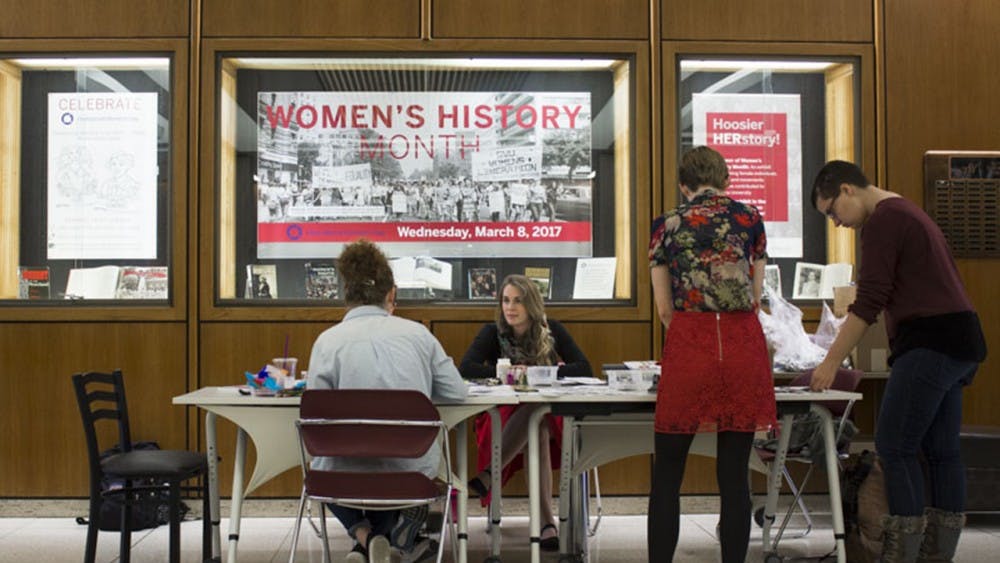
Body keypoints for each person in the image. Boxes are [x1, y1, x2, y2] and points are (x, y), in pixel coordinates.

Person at [809, 160, 987, 562]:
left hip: (929, 342)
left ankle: (901, 555)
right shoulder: (907, 211)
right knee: (942, 450)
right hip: (961, 339)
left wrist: (830, 363)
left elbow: (869, 301)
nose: (836, 223)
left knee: (894, 446)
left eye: (832, 212)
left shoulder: (883, 221)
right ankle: (937, 554)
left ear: (847, 190)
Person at [647, 146, 777, 563]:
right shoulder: (750, 219)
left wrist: (694, 331)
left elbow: (665, 308)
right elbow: (756, 298)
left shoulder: (666, 225)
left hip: (691, 343)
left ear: (684, 185)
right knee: (734, 475)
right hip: (742, 345)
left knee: (667, 473)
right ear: (725, 181)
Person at [307, 238, 468, 563]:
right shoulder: (419, 335)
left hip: (343, 475)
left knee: (324, 469)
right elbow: (457, 392)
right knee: (393, 473)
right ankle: (384, 538)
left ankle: (365, 538)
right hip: (410, 472)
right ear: (391, 294)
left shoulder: (327, 343)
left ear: (346, 295)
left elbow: (315, 416)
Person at [459, 274, 592, 551]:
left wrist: (538, 374)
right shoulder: (492, 332)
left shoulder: (551, 329)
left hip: (547, 416)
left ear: (531, 304)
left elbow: (584, 368)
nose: (510, 307)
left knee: (539, 417)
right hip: (500, 415)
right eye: (506, 300)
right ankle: (545, 523)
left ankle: (489, 474)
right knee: (538, 421)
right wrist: (504, 373)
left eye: (518, 301)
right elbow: (467, 368)